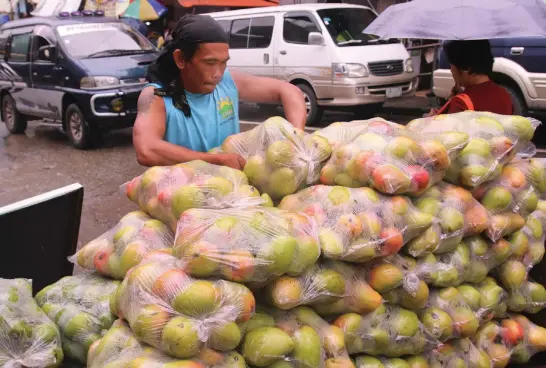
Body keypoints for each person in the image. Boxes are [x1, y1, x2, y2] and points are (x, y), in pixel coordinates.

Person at [133, 14, 306, 169]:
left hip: (235, 192)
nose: (218, 73)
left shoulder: (228, 82)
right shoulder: (157, 96)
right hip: (184, 196)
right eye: (209, 63)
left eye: (223, 63)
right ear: (181, 59)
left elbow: (289, 91)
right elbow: (147, 149)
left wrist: (296, 137)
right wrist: (214, 161)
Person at [427, 40, 513, 116]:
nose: (451, 71)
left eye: (452, 66)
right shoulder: (504, 94)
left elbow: (448, 133)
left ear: (466, 69)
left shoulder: (461, 103)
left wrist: (430, 122)